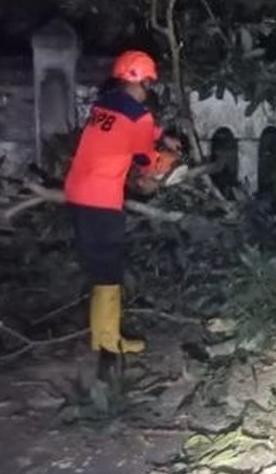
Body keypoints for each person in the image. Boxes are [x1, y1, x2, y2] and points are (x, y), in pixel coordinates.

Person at [64, 50, 181, 354]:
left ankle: (100, 338)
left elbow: (123, 131)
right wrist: (167, 159)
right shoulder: (139, 115)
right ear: (142, 82)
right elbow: (145, 161)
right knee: (109, 269)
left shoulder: (103, 104)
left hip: (77, 190)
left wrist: (160, 134)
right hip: (101, 198)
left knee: (98, 267)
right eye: (148, 85)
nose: (148, 91)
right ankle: (110, 341)